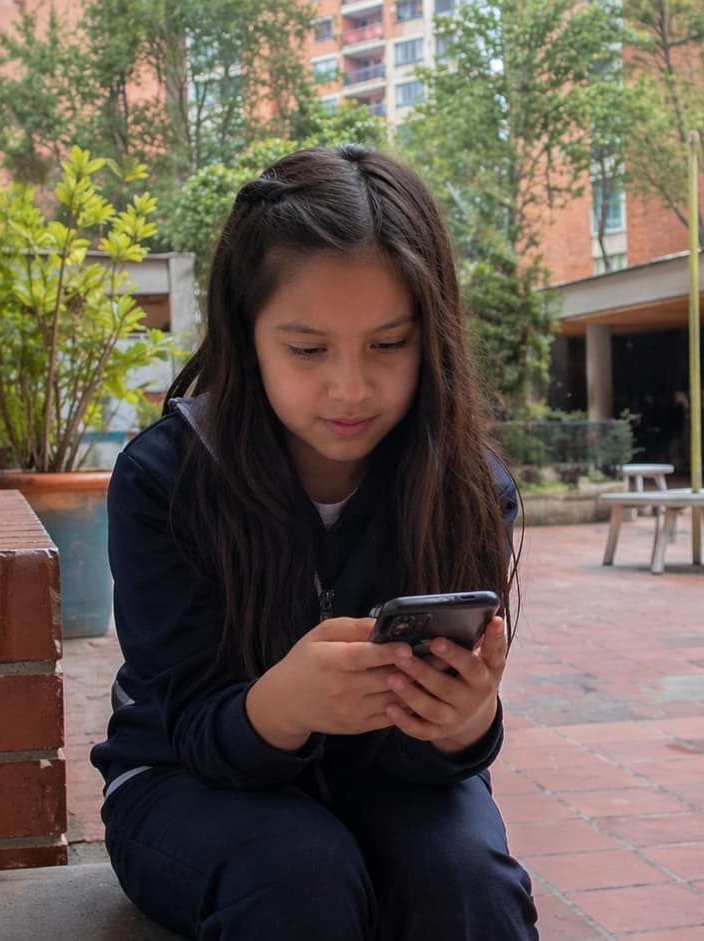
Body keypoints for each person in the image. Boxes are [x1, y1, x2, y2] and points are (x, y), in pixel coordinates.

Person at [91, 146, 538, 940]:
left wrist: (464, 723)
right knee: (298, 873)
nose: (351, 387)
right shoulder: (166, 480)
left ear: (431, 336)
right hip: (183, 779)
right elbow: (185, 725)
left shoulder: (468, 487)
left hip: (387, 778)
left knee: (467, 878)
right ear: (246, 334)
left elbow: (439, 764)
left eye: (389, 344)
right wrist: (285, 704)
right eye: (307, 349)